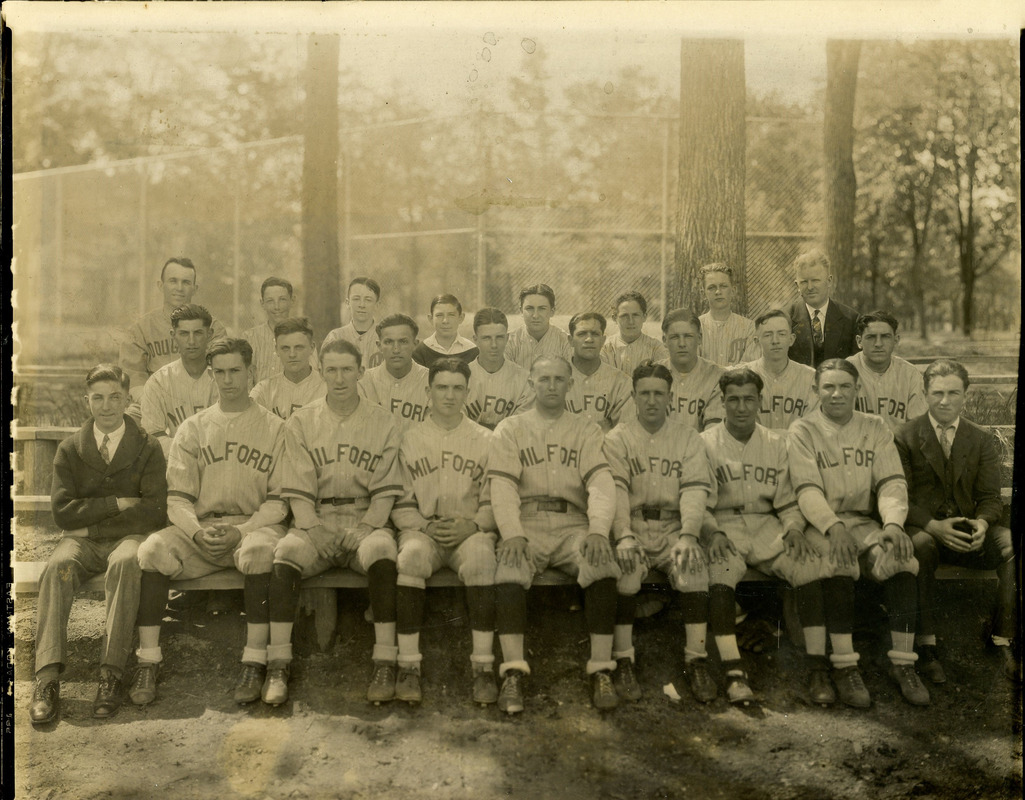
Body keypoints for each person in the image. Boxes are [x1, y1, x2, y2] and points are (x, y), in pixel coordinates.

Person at [128, 339, 288, 707]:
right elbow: (178, 499)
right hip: (201, 530)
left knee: (263, 552)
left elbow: (279, 502)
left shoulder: (275, 427)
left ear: (252, 372)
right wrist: (197, 531)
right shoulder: (193, 427)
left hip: (252, 527)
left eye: (236, 371)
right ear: (212, 374)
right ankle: (148, 661)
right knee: (152, 550)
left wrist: (242, 531)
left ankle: (254, 660)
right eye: (220, 372)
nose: (228, 380)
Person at [265, 338, 404, 706]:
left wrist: (368, 526)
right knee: (287, 551)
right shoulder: (302, 420)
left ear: (361, 371)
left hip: (364, 517)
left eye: (347, 369)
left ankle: (385, 660)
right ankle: (278, 662)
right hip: (318, 519)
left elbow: (387, 491)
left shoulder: (384, 420)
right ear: (321, 372)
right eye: (331, 370)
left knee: (382, 550)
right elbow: (296, 488)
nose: (340, 378)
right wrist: (314, 527)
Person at [29, 365, 167, 725]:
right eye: (98, 398)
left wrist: (91, 527)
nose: (107, 406)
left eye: (115, 397)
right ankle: (46, 678)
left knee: (125, 563)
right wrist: (116, 504)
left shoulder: (147, 447)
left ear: (127, 399)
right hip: (81, 543)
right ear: (86, 400)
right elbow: (62, 513)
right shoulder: (71, 449)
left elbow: (153, 512)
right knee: (57, 567)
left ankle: (111, 674)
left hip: (122, 539)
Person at [787, 359, 929, 707]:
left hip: (865, 522)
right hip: (821, 523)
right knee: (839, 561)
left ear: (857, 389)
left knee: (900, 560)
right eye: (828, 387)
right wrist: (833, 527)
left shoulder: (875, 427)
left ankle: (902, 663)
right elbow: (806, 490)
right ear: (816, 390)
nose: (836, 394)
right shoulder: (803, 430)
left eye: (844, 387)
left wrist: (894, 524)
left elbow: (892, 482)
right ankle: (845, 666)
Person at [489, 356, 621, 713]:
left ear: (570, 385)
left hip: (571, 524)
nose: (551, 386)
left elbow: (602, 483)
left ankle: (600, 668)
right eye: (543, 379)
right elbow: (502, 488)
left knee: (601, 563)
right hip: (526, 522)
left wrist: (598, 530)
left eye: (558, 379)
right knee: (510, 567)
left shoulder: (586, 429)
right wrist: (512, 533)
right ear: (530, 383)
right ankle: (513, 671)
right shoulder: (510, 428)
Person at [700, 368, 834, 706]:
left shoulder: (778, 442)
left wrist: (793, 528)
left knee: (808, 565)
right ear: (722, 401)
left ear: (760, 401)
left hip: (766, 525)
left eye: (749, 399)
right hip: (723, 525)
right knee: (720, 571)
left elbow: (789, 502)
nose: (741, 407)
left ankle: (818, 668)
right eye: (734, 400)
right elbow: (697, 500)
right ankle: (733, 672)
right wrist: (711, 531)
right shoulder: (704, 442)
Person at [895, 359, 1019, 684]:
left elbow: (991, 496)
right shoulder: (905, 436)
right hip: (929, 530)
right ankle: (927, 647)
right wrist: (933, 526)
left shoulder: (980, 438)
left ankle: (1003, 639)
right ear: (924, 394)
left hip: (969, 531)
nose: (945, 401)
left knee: (1011, 546)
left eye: (953, 393)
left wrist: (982, 523)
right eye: (937, 393)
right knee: (918, 547)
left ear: (965, 394)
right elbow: (900, 497)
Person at [604, 362, 715, 704]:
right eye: (644, 393)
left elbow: (695, 491)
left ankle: (696, 661)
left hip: (673, 526)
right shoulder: (617, 438)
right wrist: (623, 535)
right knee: (624, 574)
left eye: (658, 394)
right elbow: (617, 494)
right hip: (633, 523)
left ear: (670, 397)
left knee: (694, 569)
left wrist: (689, 535)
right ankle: (623, 659)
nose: (651, 400)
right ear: (633, 396)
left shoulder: (687, 437)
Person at [392, 358, 499, 705]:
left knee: (483, 559)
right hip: (424, 528)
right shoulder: (410, 438)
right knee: (409, 558)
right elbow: (400, 500)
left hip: (470, 530)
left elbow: (495, 497)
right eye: (442, 387)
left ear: (468, 392)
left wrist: (474, 525)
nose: (449, 396)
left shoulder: (486, 438)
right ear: (428, 391)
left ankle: (483, 667)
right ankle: (408, 665)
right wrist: (422, 526)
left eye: (457, 388)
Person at [119, 257, 227, 410]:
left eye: (186, 282)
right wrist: (153, 404)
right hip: (154, 403)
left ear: (195, 289)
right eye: (173, 281)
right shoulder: (141, 329)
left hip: (202, 404)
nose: (179, 288)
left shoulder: (213, 327)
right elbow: (133, 376)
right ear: (160, 285)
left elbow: (221, 372)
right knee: (131, 419)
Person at [139, 304, 218, 456]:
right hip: (176, 464)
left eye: (198, 333)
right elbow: (154, 437)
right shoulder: (159, 382)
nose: (191, 341)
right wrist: (191, 452)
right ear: (173, 335)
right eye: (183, 333)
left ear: (210, 334)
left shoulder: (224, 377)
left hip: (220, 464)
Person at [847, 311, 927, 434]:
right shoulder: (845, 371)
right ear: (859, 341)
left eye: (885, 336)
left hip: (899, 448)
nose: (878, 344)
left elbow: (917, 427)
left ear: (896, 340)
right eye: (871, 337)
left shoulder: (910, 374)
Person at [742, 309, 818, 431]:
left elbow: (813, 428)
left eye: (782, 334)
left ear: (791, 339)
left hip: (796, 448)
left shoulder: (810, 377)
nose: (775, 341)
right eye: (768, 335)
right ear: (756, 341)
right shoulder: (742, 376)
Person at [787, 249, 860, 368]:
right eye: (804, 282)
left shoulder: (851, 319)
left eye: (816, 280)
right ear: (797, 285)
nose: (810, 287)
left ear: (829, 281)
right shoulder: (785, 318)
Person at [359, 313, 430, 432]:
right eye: (388, 342)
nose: (396, 349)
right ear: (379, 345)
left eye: (403, 341)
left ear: (415, 344)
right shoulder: (364, 383)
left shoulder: (430, 381)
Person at [466, 307, 534, 430]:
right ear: (475, 340)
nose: (494, 345)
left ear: (507, 338)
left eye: (499, 337)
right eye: (486, 338)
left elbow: (522, 427)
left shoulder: (524, 379)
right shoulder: (462, 376)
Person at [242, 277, 318, 385]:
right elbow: (244, 378)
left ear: (292, 301)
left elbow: (313, 378)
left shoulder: (303, 336)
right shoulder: (249, 338)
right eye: (270, 301)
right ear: (262, 303)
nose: (276, 307)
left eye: (282, 299)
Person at [657, 309, 724, 431]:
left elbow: (713, 431)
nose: (682, 343)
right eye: (674, 337)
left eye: (688, 336)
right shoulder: (653, 375)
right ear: (664, 341)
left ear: (699, 338)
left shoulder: (717, 376)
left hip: (702, 448)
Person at [565, 312, 632, 432]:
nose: (589, 339)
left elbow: (626, 431)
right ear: (571, 340)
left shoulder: (621, 382)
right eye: (581, 334)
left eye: (595, 334)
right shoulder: (556, 378)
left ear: (603, 340)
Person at [250, 317, 326, 420]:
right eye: (285, 348)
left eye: (299, 347)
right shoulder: (263, 391)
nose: (292, 354)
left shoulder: (327, 387)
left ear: (312, 348)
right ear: (276, 350)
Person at [698, 264, 757, 367]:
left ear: (733, 290)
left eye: (723, 286)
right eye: (711, 287)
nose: (718, 292)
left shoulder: (749, 328)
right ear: (703, 294)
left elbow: (750, 367)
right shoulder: (696, 327)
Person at [503, 283, 573, 370]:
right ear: (521, 311)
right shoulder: (509, 342)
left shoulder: (565, 341)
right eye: (529, 308)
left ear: (552, 311)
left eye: (542, 308)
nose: (535, 315)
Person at [600, 291, 668, 376]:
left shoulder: (656, 348)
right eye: (624, 316)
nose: (631, 321)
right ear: (614, 318)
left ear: (644, 317)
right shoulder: (605, 348)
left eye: (635, 315)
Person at [322, 276, 383, 369]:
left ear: (377, 305)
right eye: (356, 299)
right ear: (347, 303)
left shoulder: (385, 337)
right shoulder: (335, 337)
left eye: (368, 300)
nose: (362, 305)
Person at [412, 294, 479, 368]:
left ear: (461, 318)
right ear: (431, 319)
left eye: (451, 315)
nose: (445, 321)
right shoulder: (420, 352)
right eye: (439, 315)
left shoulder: (472, 351)